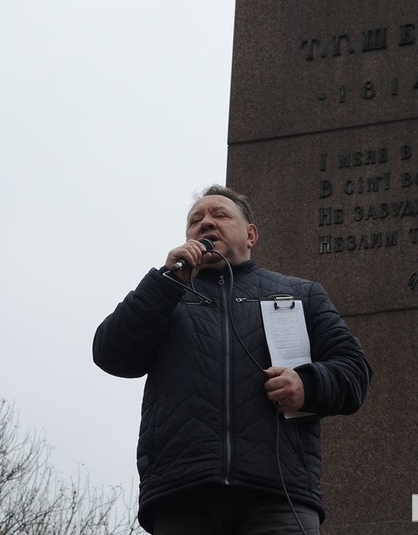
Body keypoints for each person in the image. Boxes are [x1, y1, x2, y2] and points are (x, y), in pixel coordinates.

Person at [92, 185, 372, 534]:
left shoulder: (301, 294)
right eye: (195, 220)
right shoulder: (166, 296)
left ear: (251, 235)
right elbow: (110, 354)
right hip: (183, 495)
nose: (206, 223)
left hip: (280, 495)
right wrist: (164, 282)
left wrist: (308, 384)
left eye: (220, 215)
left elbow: (354, 369)